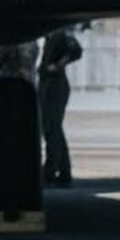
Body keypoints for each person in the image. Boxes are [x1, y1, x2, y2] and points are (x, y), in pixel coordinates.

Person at [39, 27, 83, 186]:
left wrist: (58, 65)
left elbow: (76, 50)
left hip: (55, 86)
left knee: (52, 129)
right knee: (53, 128)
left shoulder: (58, 34)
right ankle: (64, 172)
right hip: (48, 85)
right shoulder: (50, 37)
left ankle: (50, 172)